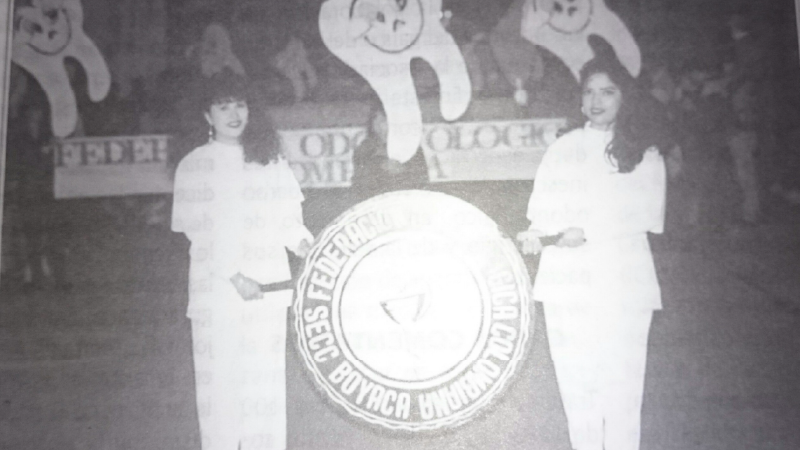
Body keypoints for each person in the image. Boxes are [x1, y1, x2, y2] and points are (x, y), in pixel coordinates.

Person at [517, 57, 667, 450]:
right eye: (589, 92)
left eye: (607, 92)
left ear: (624, 98)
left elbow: (648, 215)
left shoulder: (644, 153)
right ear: (580, 100)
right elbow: (541, 213)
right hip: (567, 285)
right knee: (577, 387)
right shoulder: (562, 148)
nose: (596, 101)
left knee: (621, 389)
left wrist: (587, 232)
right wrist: (536, 234)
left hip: (623, 282)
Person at [171, 71, 313, 450]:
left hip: (268, 291)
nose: (234, 114)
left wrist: (304, 244)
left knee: (264, 392)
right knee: (221, 393)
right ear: (207, 115)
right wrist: (234, 276)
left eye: (240, 105)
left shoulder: (271, 161)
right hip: (218, 295)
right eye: (223, 106)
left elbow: (288, 222)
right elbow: (199, 232)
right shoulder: (195, 165)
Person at [350, 102, 427, 198]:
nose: (380, 126)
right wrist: (379, 167)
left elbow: (422, 182)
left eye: (384, 120)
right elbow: (358, 186)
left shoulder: (412, 147)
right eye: (375, 120)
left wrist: (402, 171)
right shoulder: (364, 149)